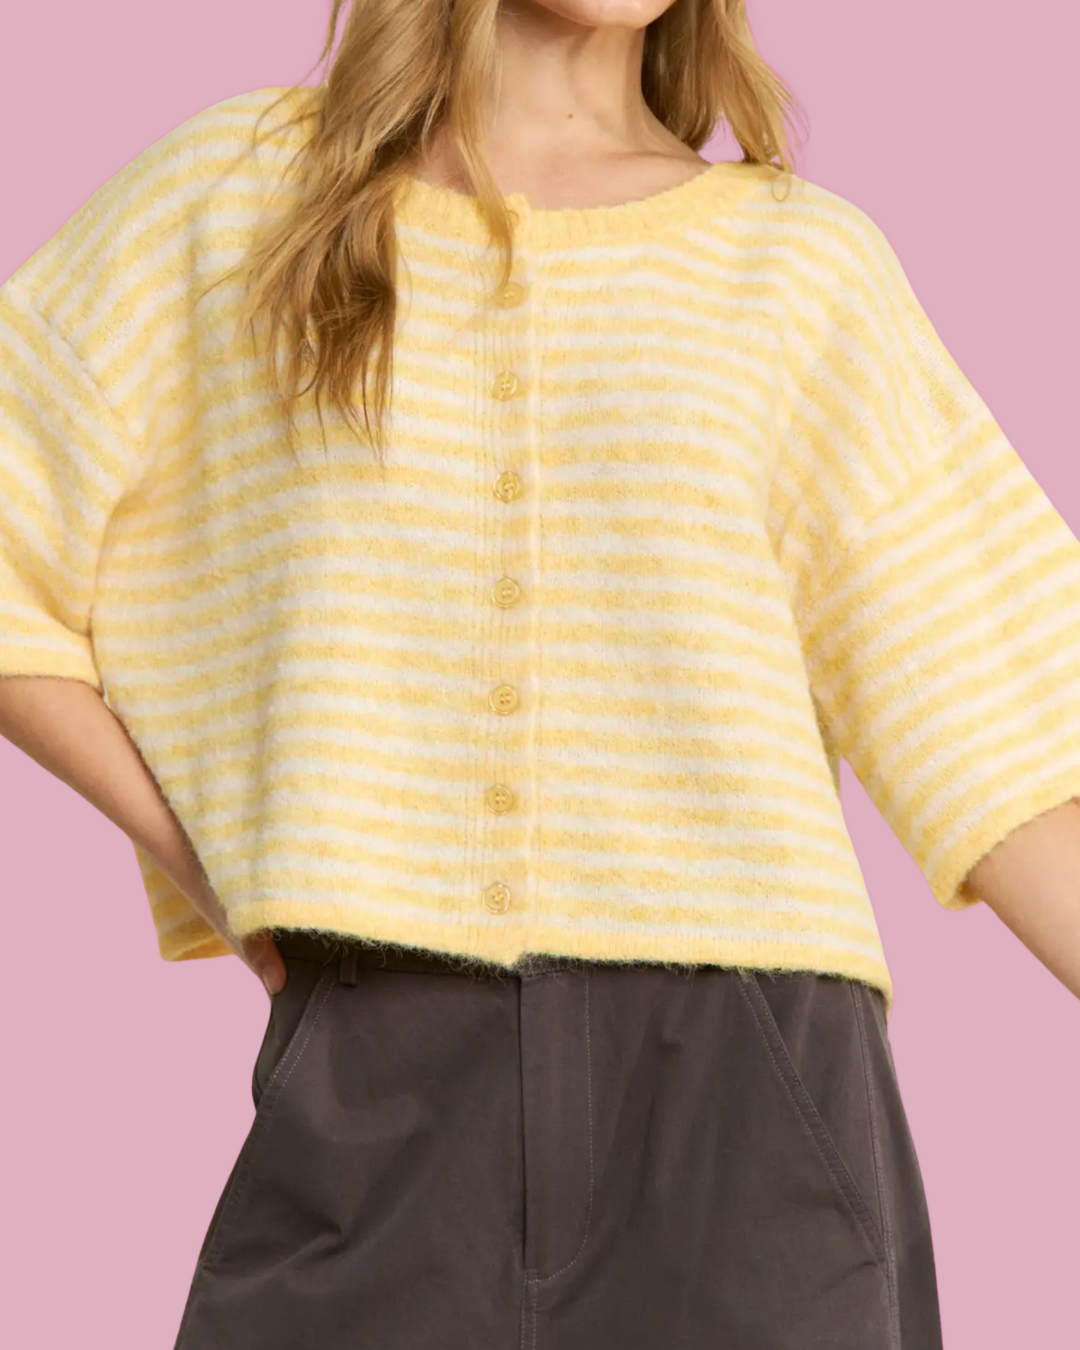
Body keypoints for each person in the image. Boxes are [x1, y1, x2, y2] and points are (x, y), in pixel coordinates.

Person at [2, 1, 1079, 1346]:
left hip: (749, 1106)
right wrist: (209, 858)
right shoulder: (240, 202)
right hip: (375, 1082)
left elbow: (1011, 736)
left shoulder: (797, 270)